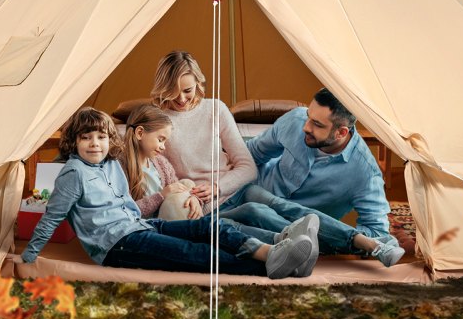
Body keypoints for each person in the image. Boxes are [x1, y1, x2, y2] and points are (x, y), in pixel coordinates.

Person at [19, 107, 318, 279]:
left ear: (111, 139)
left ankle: (272, 251)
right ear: (75, 141)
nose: (95, 144)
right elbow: (51, 217)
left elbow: (128, 203)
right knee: (195, 254)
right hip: (116, 245)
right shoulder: (73, 174)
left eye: (101, 137)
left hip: (139, 227)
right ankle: (276, 266)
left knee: (210, 226)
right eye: (86, 138)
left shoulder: (110, 164)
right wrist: (29, 256)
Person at [220, 89, 406, 268]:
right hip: (247, 198)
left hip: (294, 229)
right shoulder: (295, 119)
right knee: (255, 207)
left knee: (261, 214)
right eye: (309, 116)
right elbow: (253, 153)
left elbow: (377, 231)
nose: (305, 127)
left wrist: (326, 235)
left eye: (317, 124)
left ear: (341, 132)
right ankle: (351, 240)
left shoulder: (365, 173)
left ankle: (308, 240)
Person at [153, 50, 256, 211]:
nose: (181, 99)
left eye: (187, 90)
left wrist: (217, 187)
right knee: (254, 212)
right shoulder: (157, 121)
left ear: (198, 84)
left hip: (233, 191)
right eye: (173, 92)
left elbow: (248, 168)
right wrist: (193, 195)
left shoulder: (215, 109)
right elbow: (161, 178)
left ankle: (308, 224)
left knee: (275, 205)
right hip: (199, 203)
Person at [121, 103, 201, 220]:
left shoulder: (161, 163)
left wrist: (194, 199)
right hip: (148, 225)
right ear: (140, 133)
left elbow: (177, 189)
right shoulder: (120, 167)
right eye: (160, 139)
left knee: (187, 184)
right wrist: (162, 195)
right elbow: (125, 211)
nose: (163, 147)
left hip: (170, 217)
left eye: (165, 142)